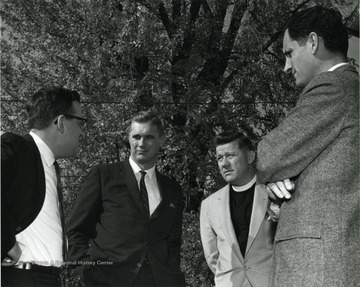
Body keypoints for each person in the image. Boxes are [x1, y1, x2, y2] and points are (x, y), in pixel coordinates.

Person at [256, 6, 359, 287]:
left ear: (313, 43)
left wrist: (275, 171)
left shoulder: (333, 87)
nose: (286, 66)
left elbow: (269, 156)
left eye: (289, 53)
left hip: (319, 270)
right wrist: (277, 187)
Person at [67, 110, 185, 287]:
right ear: (129, 138)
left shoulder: (172, 189)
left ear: (162, 140)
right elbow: (75, 231)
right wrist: (87, 270)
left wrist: (171, 271)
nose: (141, 143)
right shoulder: (103, 176)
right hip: (108, 281)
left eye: (149, 137)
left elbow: (174, 241)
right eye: (136, 136)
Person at [1, 86, 87, 287]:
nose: (82, 131)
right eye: (81, 123)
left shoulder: (49, 164)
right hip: (21, 278)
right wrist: (6, 242)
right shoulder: (16, 147)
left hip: (46, 279)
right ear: (61, 123)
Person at [200, 131, 276, 287]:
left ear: (250, 157)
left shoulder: (275, 193)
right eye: (219, 158)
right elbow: (212, 257)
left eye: (230, 155)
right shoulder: (209, 205)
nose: (224, 163)